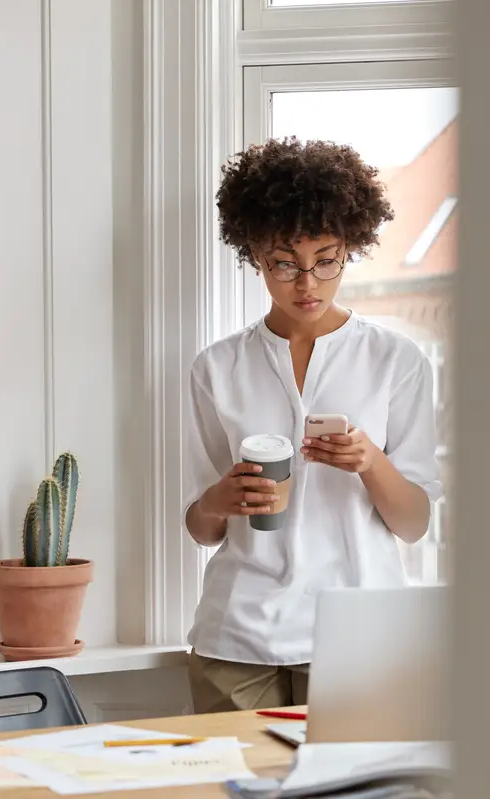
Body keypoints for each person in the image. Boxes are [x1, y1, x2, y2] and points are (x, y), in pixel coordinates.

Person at [182, 138, 442, 713]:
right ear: (254, 253)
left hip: (358, 632)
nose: (308, 284)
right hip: (238, 636)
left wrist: (370, 462)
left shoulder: (395, 362)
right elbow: (202, 529)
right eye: (284, 263)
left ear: (350, 246)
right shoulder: (216, 368)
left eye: (327, 260)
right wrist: (220, 498)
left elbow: (414, 523)